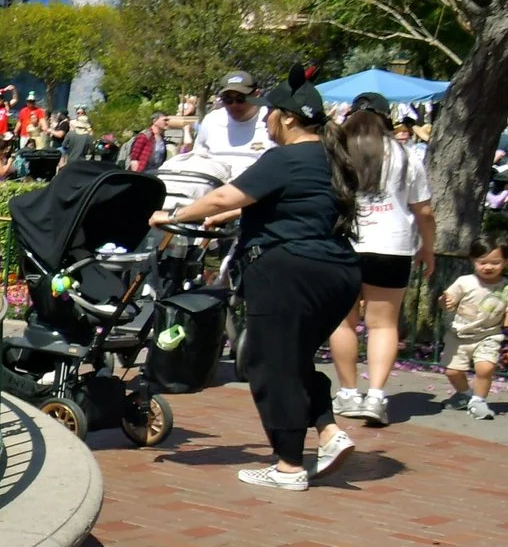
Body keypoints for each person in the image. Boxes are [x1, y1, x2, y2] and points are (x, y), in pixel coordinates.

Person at [154, 80, 378, 491]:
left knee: (267, 362)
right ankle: (328, 432)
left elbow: (223, 196)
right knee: (291, 359)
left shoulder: (286, 156)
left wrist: (173, 214)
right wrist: (232, 217)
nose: (266, 119)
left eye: (270, 111)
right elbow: (292, 205)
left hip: (289, 272)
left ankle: (289, 465)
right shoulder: (330, 156)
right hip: (338, 271)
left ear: (288, 118)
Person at [329, 93, 433, 426]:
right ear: (387, 119)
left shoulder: (337, 151)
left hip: (345, 242)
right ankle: (375, 396)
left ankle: (347, 392)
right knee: (383, 324)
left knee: (343, 321)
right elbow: (425, 211)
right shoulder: (406, 154)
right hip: (392, 245)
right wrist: (427, 247)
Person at [438, 241, 505, 419]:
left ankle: (479, 401)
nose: (488, 267)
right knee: (452, 371)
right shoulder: (465, 282)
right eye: (482, 262)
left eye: (495, 262)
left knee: (485, 368)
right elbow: (446, 299)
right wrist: (446, 302)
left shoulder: (505, 286)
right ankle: (465, 395)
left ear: (505, 262)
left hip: (489, 335)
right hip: (458, 335)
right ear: (473, 260)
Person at [194, 71, 270, 163]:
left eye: (241, 99)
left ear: (256, 94)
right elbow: (198, 157)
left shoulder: (271, 119)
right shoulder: (212, 120)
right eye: (228, 100)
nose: (234, 105)